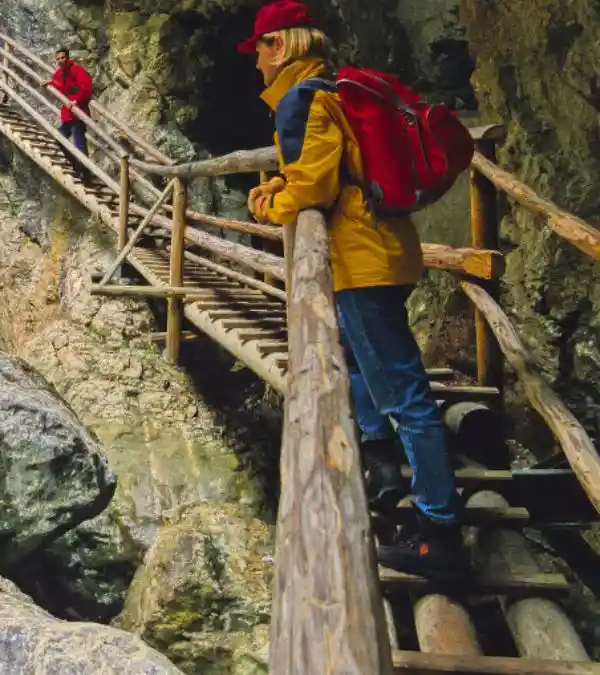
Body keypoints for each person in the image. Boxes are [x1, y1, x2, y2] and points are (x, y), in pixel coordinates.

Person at [238, 0, 468, 582]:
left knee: (405, 394)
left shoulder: (305, 99)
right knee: (368, 367)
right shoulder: (332, 89)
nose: (256, 62)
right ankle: (386, 465)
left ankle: (439, 531)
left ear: (282, 46)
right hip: (386, 248)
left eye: (261, 48)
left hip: (361, 259)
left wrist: (267, 203)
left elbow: (310, 186)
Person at [44, 48, 93, 155]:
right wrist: (51, 82)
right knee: (59, 140)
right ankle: (75, 164)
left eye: (63, 57)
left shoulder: (77, 69)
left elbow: (86, 87)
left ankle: (84, 170)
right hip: (67, 115)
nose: (60, 60)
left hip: (78, 114)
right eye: (58, 59)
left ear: (67, 58)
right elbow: (61, 87)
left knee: (79, 146)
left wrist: (77, 101)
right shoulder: (57, 75)